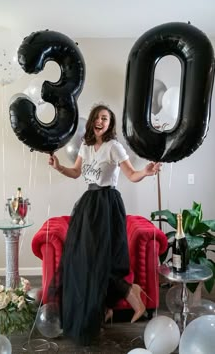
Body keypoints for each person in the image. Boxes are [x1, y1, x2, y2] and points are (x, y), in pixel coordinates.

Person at [48, 104, 161, 345]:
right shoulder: (86, 146)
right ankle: (114, 303)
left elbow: (131, 175)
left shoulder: (114, 147)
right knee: (83, 261)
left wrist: (147, 172)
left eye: (106, 118)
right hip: (88, 205)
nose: (101, 121)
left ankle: (127, 296)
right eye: (98, 117)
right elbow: (76, 172)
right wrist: (58, 167)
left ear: (110, 125)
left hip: (107, 205)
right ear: (92, 121)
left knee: (100, 260)